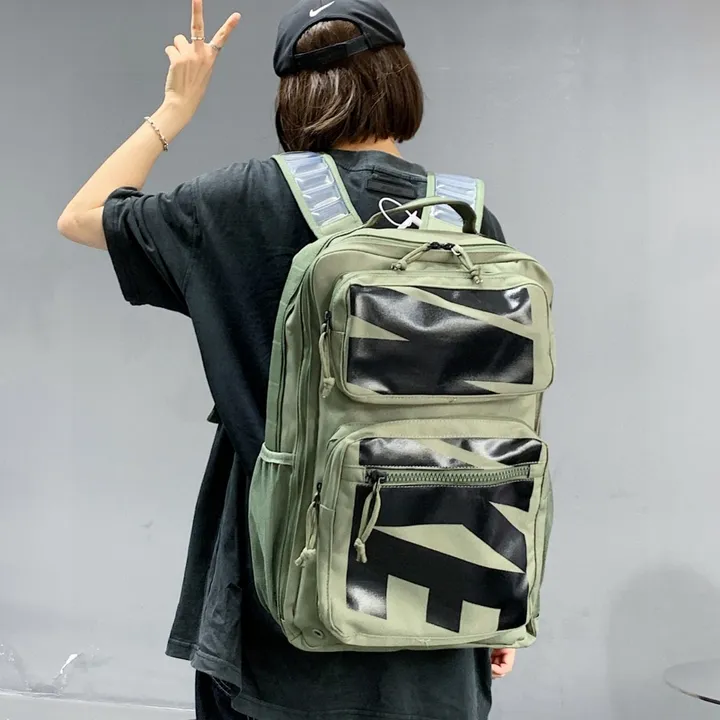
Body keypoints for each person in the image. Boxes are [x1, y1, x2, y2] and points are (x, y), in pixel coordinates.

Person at [57, 1, 517, 718]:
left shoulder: (241, 201)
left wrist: (175, 108)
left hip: (282, 604)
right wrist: (497, 594)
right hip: (443, 590)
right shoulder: (466, 219)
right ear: (401, 78)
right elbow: (492, 419)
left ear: (294, 96)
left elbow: (82, 217)